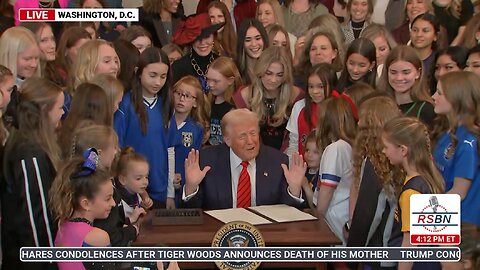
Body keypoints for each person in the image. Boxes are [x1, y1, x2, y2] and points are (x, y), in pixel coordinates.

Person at [182, 108, 306, 210]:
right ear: (227, 140)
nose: (250, 141)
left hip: (265, 234)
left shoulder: (277, 161)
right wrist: (191, 188)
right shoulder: (207, 161)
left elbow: (289, 215)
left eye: (253, 133)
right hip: (220, 233)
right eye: (242, 136)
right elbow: (193, 212)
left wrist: (294, 190)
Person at [2, 77, 63, 269]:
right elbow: (36, 218)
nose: (63, 113)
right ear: (45, 112)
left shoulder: (28, 145)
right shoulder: (29, 154)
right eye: (60, 108)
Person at [347, 96, 402, 270]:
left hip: (380, 254)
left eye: (362, 120)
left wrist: (352, 254)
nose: (358, 124)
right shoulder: (402, 159)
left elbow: (368, 214)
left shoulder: (375, 164)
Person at [382, 116, 444, 270]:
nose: (383, 152)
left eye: (386, 147)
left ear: (402, 150)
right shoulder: (431, 179)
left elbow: (409, 244)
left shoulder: (412, 191)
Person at [114, 47, 172, 208]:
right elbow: (118, 147)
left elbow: (170, 149)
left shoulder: (166, 104)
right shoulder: (125, 104)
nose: (158, 82)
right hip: (132, 189)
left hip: (160, 187)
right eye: (152, 75)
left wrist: (170, 193)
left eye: (163, 76)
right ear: (138, 72)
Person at [50, 149, 116, 270]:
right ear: (86, 204)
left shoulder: (61, 227)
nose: (114, 203)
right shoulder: (98, 238)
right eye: (108, 199)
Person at [432, 71, 480, 234]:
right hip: (443, 214)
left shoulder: (468, 142)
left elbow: (459, 192)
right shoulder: (449, 132)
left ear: (456, 98)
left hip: (459, 224)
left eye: (439, 93)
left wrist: (420, 210)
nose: (433, 96)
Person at [233, 46, 304, 150]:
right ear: (260, 71)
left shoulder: (296, 96)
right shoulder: (244, 95)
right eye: (268, 73)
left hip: (286, 155)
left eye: (280, 75)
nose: (273, 80)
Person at [314, 97, 356, 245]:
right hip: (345, 215)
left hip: (334, 218)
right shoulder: (350, 145)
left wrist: (317, 216)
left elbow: (327, 189)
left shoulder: (336, 149)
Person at [168, 76, 208, 207]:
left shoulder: (196, 128)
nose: (182, 99)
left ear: (196, 102)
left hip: (181, 183)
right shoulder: (164, 120)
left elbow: (193, 160)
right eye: (178, 93)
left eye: (188, 96)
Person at [286, 63, 337, 157]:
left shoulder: (339, 107)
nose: (315, 91)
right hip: (303, 166)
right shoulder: (300, 106)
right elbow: (293, 144)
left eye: (320, 86)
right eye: (311, 86)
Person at [379, 45, 436, 127]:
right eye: (393, 72)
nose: (399, 78)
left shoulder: (426, 109)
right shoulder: (379, 105)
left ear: (418, 73)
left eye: (406, 72)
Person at [171, 13, 223, 91]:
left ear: (214, 37)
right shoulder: (178, 67)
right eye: (197, 38)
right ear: (190, 41)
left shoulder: (222, 64)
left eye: (207, 36)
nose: (202, 42)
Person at [206, 56, 241, 146]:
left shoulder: (235, 106)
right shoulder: (208, 102)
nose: (210, 84)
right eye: (208, 79)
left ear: (230, 80)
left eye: (215, 81)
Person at [115, 147, 150, 225]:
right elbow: (116, 227)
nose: (145, 182)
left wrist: (144, 206)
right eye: (138, 178)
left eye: (146, 177)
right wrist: (131, 218)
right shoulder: (117, 202)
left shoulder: (136, 193)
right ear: (123, 180)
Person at [236, 18, 269, 85]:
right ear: (242, 43)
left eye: (258, 38)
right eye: (248, 40)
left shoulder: (272, 67)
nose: (254, 44)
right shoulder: (235, 70)